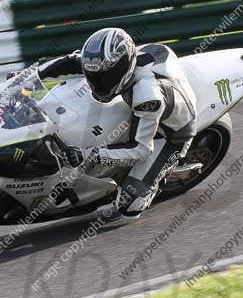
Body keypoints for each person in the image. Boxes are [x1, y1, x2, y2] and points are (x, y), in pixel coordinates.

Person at [37, 28, 197, 220]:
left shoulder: (147, 97)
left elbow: (141, 150)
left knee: (129, 206)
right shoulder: (111, 61)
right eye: (94, 76)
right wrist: (30, 77)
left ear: (124, 69)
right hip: (153, 98)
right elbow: (71, 62)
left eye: (105, 78)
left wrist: (89, 155)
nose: (98, 83)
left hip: (171, 132)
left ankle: (154, 182)